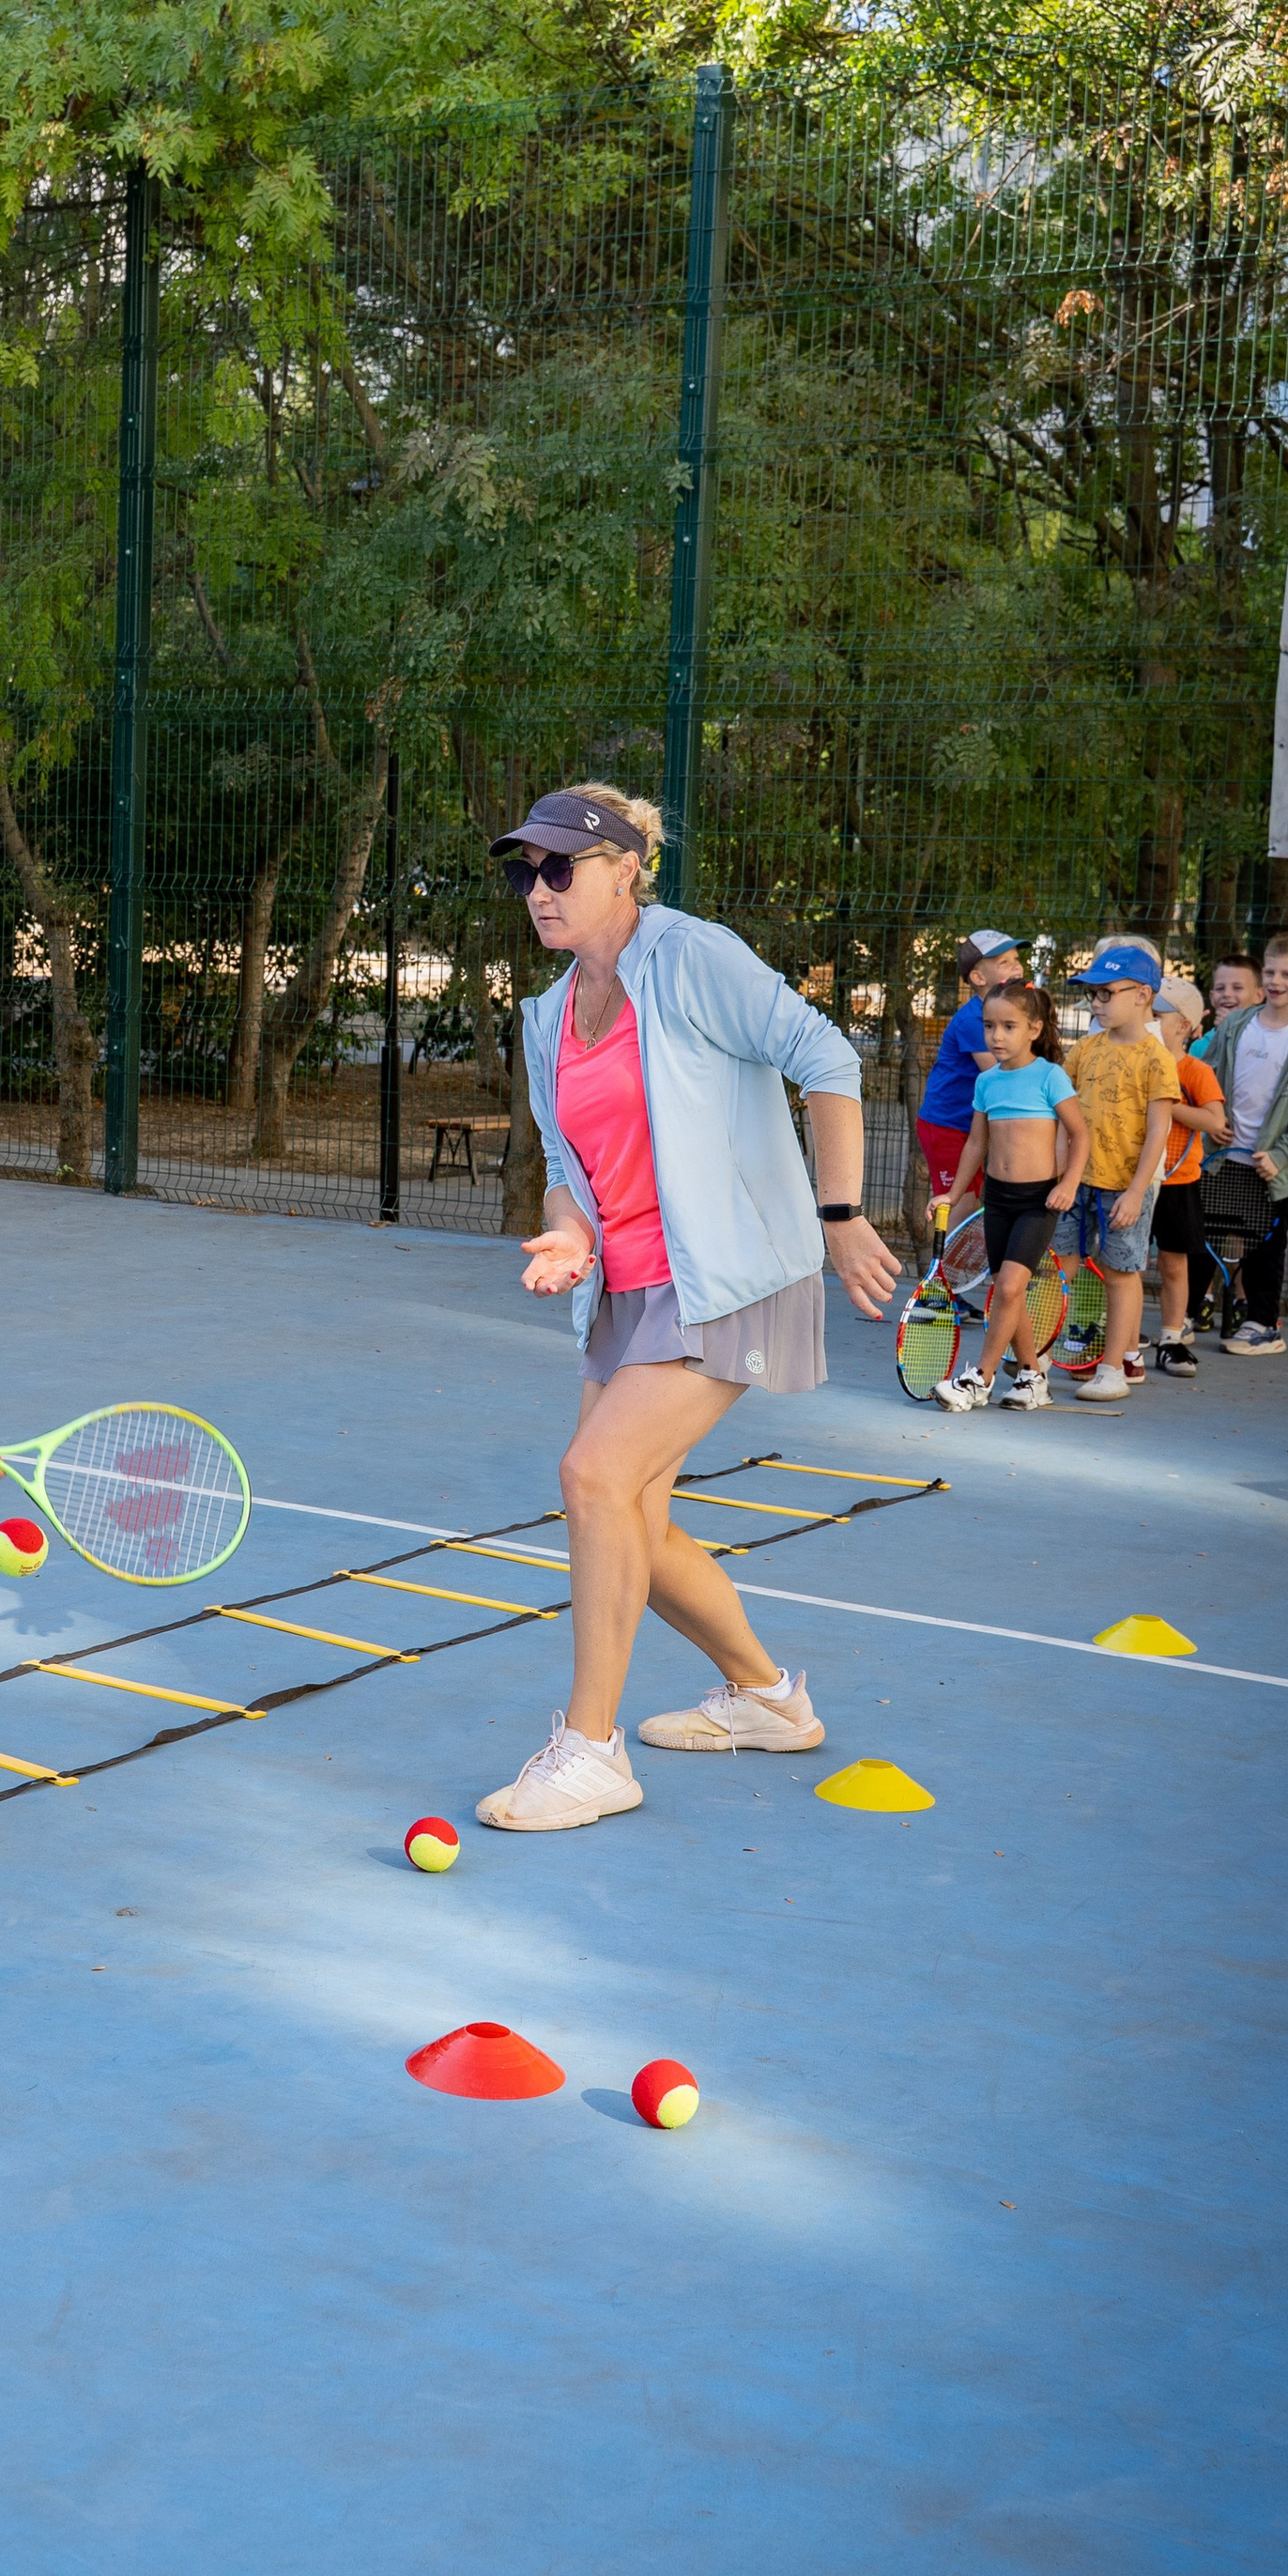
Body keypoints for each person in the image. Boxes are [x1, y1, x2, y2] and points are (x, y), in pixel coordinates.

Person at [478, 782, 900, 1833]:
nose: (538, 889)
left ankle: (590, 1750)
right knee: (636, 1518)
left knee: (591, 1478)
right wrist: (570, 1235)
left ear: (625, 867)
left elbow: (827, 1059)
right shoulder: (546, 1015)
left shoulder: (691, 955)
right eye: (525, 871)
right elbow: (568, 1168)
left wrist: (839, 1210)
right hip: (629, 1290)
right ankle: (766, 1698)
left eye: (559, 868)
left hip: (727, 1278)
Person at [931, 980, 1087, 1413]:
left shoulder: (1050, 1076)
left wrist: (1068, 1184)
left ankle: (979, 1379)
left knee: (1011, 1284)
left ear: (1034, 1028)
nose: (996, 1036)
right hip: (996, 1200)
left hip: (1039, 1201)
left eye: (1008, 1026)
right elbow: (975, 1145)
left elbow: (1080, 1134)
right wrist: (952, 1194)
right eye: (989, 1026)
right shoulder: (986, 1082)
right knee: (1006, 1288)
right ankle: (1033, 1376)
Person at [1057, 941, 1178, 1406]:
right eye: (1093, 994)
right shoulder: (1084, 1048)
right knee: (1060, 1264)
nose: (1097, 1003)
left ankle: (1113, 1368)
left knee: (1120, 1273)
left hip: (1124, 1188)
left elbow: (1157, 1134)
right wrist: (1061, 1175)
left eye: (1107, 993)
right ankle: (1040, 1359)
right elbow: (1064, 1119)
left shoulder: (1156, 1058)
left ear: (1143, 994)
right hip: (1075, 1182)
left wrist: (1134, 1191)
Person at [1207, 930, 1288, 1356]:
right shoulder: (1239, 1025)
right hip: (1223, 1157)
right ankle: (1187, 1313)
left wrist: (1280, 1155)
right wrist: (1211, 1121)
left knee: (1266, 1247)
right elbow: (1208, 1075)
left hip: (1269, 1165)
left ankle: (1264, 1324)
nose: (1277, 981)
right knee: (1200, 1234)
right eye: (1271, 971)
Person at [1148, 976, 1229, 1374]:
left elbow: (1215, 1120)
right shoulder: (1133, 1059)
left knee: (1173, 1262)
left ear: (1183, 1025)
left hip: (1177, 1183)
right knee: (1116, 1261)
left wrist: (1166, 1104)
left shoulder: (1194, 1070)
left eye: (1157, 1015)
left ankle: (1171, 1339)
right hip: (1130, 1180)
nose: (1148, 1020)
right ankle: (1112, 1334)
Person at [913, 929, 1028, 1198]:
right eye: (1004, 963)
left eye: (1016, 959)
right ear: (978, 978)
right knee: (960, 1201)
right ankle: (952, 1242)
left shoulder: (1004, 1015)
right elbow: (998, 1071)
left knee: (974, 1197)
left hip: (970, 1125)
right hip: (947, 1126)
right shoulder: (973, 1020)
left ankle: (965, 1241)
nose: (1016, 967)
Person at [1196, 955, 1263, 1060]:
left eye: (1237, 988)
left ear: (1258, 996)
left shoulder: (1264, 1042)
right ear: (1212, 998)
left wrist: (1231, 1031)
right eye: (1220, 988)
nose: (1227, 994)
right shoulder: (1200, 1045)